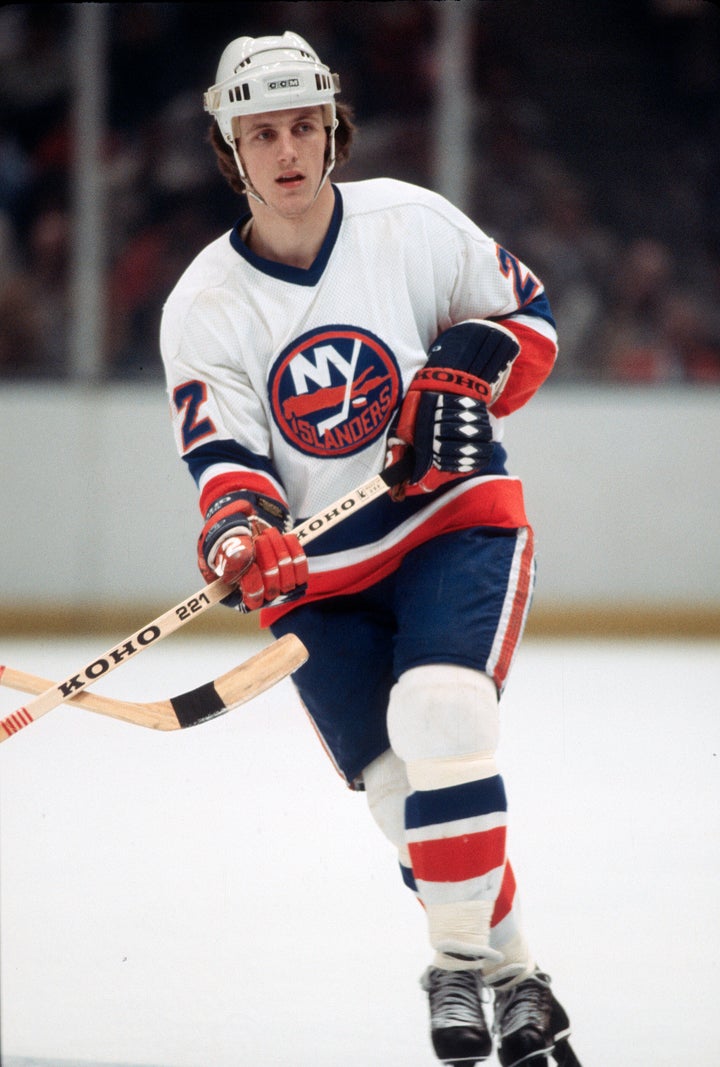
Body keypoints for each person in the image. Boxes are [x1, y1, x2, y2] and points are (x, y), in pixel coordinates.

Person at [160, 31, 581, 1067]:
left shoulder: (410, 221)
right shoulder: (203, 303)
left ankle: (451, 965)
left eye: (305, 124)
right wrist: (239, 528)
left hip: (450, 523)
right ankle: (518, 973)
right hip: (320, 576)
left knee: (443, 713)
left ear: (332, 128)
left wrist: (465, 364)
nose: (289, 149)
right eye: (263, 132)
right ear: (231, 147)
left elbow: (527, 318)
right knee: (406, 798)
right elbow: (224, 454)